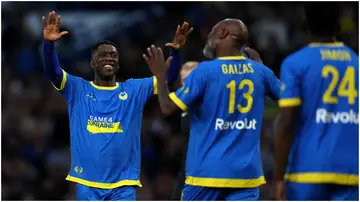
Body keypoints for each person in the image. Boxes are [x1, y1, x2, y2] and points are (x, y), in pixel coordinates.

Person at [41, 11, 191, 200]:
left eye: (113, 55)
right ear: (92, 63)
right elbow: (53, 72)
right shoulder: (77, 88)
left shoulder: (134, 89)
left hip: (123, 186)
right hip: (87, 183)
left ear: (118, 64)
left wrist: (176, 51)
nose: (108, 57)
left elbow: (167, 78)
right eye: (102, 54)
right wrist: (48, 45)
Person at [143, 18, 280, 200]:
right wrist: (262, 69)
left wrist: (160, 77)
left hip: (205, 176)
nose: (208, 36)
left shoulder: (205, 71)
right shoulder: (261, 72)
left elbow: (167, 108)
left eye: (213, 31)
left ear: (223, 34)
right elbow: (292, 100)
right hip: (246, 177)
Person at [274, 3, 358, 201]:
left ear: (305, 27)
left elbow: (285, 122)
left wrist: (278, 177)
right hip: (352, 170)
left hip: (307, 170)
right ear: (338, 27)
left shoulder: (295, 63)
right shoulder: (357, 62)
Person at [170, 61, 199, 200]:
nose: (187, 85)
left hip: (208, 173)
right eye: (184, 80)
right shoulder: (184, 108)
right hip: (187, 170)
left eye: (192, 79)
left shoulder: (211, 104)